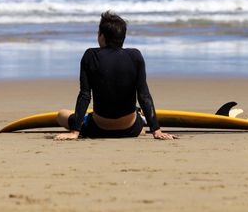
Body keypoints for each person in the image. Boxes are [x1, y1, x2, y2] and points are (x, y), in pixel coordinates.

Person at [55, 11, 177, 140]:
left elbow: (85, 95)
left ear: (102, 37)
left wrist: (74, 132)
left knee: (61, 115)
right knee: (137, 125)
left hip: (98, 129)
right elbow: (143, 95)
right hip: (131, 129)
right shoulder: (135, 56)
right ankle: (140, 119)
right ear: (123, 37)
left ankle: (137, 117)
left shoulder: (90, 55)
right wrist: (156, 130)